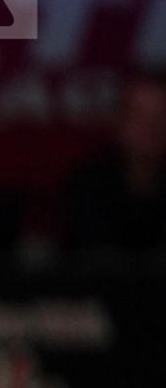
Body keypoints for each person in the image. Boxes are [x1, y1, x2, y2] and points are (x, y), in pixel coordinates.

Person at [62, 69, 166, 259]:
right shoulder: (87, 186)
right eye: (140, 117)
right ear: (119, 121)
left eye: (162, 118)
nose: (151, 128)